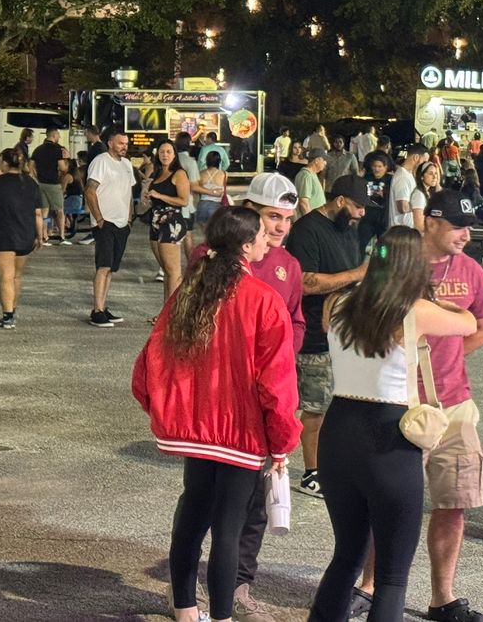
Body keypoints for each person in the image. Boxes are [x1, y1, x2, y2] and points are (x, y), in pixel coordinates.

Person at [132, 207, 302, 622]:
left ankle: (186, 610)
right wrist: (282, 442)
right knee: (228, 528)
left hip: (195, 428)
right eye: (262, 233)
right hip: (241, 433)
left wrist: (168, 409)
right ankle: (222, 616)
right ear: (246, 246)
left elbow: (149, 363)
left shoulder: (190, 291)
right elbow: (276, 383)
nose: (268, 238)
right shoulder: (264, 299)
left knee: (192, 514)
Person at [307, 227, 475, 622]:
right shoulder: (413, 310)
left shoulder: (337, 304)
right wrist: (434, 299)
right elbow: (468, 322)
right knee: (393, 576)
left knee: (345, 556)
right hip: (389, 437)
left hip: (339, 430)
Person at [352, 191, 483, 622]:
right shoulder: (395, 263)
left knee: (453, 502)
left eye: (469, 225)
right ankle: (370, 586)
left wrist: (442, 362)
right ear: (429, 222)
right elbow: (363, 318)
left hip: (455, 406)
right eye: (456, 225)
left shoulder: (471, 270)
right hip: (397, 405)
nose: (466, 234)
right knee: (390, 503)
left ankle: (442, 598)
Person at [187, 173, 306, 622]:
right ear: (249, 214)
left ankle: (238, 587)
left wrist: (281, 352)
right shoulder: (208, 259)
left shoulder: (287, 266)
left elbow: (295, 322)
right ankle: (194, 593)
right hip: (216, 404)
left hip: (266, 397)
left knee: (257, 501)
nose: (279, 227)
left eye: (288, 219)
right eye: (272, 217)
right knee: (203, 502)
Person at [285, 174, 371, 499]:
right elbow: (304, 282)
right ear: (339, 201)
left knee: (339, 407)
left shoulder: (347, 227)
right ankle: (312, 473)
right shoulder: (307, 230)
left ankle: (334, 466)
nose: (361, 213)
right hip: (314, 334)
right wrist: (356, 274)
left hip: (344, 333)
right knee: (316, 408)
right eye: (357, 206)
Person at [0, 148, 43, 329]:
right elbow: (38, 213)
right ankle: (13, 308)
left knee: (5, 276)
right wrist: (40, 235)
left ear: (4, 163)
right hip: (25, 234)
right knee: (16, 276)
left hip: (2, 234)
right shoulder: (31, 183)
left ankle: (7, 316)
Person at [84, 129, 136, 328]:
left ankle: (103, 307)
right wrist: (98, 218)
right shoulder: (101, 161)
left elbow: (129, 193)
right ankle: (97, 310)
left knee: (111, 268)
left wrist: (130, 218)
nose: (124, 146)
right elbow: (90, 190)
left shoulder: (127, 165)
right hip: (106, 222)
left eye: (126, 143)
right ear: (111, 143)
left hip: (122, 223)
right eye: (121, 143)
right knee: (103, 266)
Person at [148, 140, 192, 306]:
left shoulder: (179, 173)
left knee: (173, 271)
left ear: (174, 154)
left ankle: (172, 313)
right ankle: (166, 311)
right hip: (155, 221)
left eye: (168, 152)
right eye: (161, 152)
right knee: (166, 270)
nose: (165, 155)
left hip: (171, 222)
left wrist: (160, 196)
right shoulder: (158, 173)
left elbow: (183, 200)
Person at [31, 126, 70, 246]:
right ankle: (62, 236)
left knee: (44, 211)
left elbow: (31, 165)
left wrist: (36, 177)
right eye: (58, 135)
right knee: (59, 210)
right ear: (53, 135)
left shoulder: (38, 149)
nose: (58, 137)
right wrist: (67, 158)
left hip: (41, 183)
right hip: (53, 183)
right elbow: (63, 168)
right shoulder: (57, 149)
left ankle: (44, 236)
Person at [388, 143, 428, 229]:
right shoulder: (403, 177)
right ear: (416, 157)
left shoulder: (409, 175)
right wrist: (422, 204)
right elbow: (402, 207)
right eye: (423, 162)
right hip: (401, 233)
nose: (424, 166)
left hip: (407, 231)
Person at [174, 132, 202, 254]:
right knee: (188, 234)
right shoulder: (190, 162)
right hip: (186, 205)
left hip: (170, 202)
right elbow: (194, 186)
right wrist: (212, 192)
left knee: (171, 236)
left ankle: (165, 269)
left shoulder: (171, 160)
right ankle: (190, 266)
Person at [359, 151, 392, 252]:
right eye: (374, 166)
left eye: (380, 166)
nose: (377, 169)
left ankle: (382, 265)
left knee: (384, 248)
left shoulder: (390, 179)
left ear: (385, 167)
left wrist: (385, 194)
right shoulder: (366, 178)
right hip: (368, 218)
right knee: (360, 244)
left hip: (383, 219)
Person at [193, 151, 227, 228]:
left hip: (202, 205)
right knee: (214, 231)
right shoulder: (224, 174)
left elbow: (197, 190)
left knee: (204, 231)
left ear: (207, 161)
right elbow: (224, 190)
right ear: (219, 161)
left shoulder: (201, 174)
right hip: (217, 205)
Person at [294, 149, 329, 216]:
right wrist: (310, 221)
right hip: (309, 222)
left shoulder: (312, 174)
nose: (325, 163)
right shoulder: (306, 175)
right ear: (316, 160)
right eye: (323, 160)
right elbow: (304, 203)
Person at [410, 161, 442, 230]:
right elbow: (419, 226)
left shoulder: (428, 192)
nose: (434, 177)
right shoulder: (419, 195)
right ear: (422, 176)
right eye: (430, 173)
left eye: (435, 173)